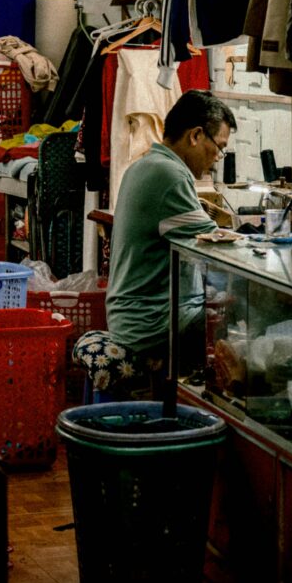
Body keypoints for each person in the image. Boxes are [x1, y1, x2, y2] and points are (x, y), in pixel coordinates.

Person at [72, 90, 237, 399]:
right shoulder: (169, 174)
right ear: (196, 135)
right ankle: (214, 407)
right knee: (241, 316)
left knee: (220, 303)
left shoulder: (146, 164)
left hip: (130, 313)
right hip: (148, 324)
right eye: (219, 147)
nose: (217, 158)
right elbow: (216, 245)